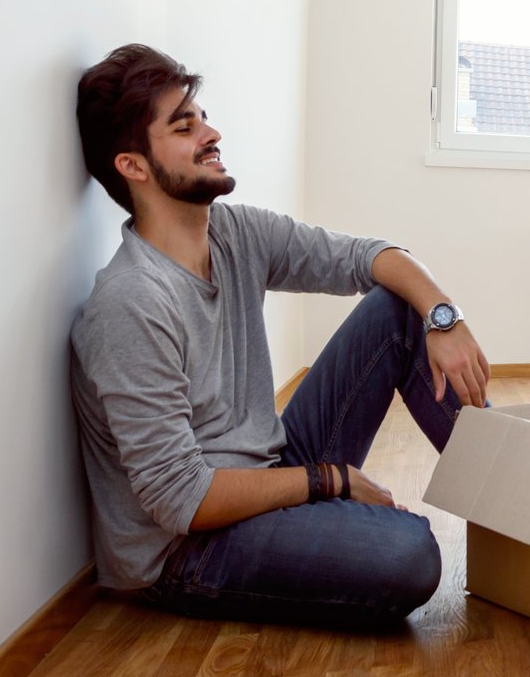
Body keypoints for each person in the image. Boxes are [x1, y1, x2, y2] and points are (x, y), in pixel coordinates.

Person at [69, 43, 490, 627]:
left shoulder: (236, 232)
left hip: (267, 469)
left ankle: (516, 498)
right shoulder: (131, 303)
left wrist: (445, 316)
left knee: (400, 307)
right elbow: (180, 500)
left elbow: (370, 257)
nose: (211, 133)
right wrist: (332, 481)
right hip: (187, 548)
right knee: (411, 554)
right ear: (134, 166)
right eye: (184, 126)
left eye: (203, 115)